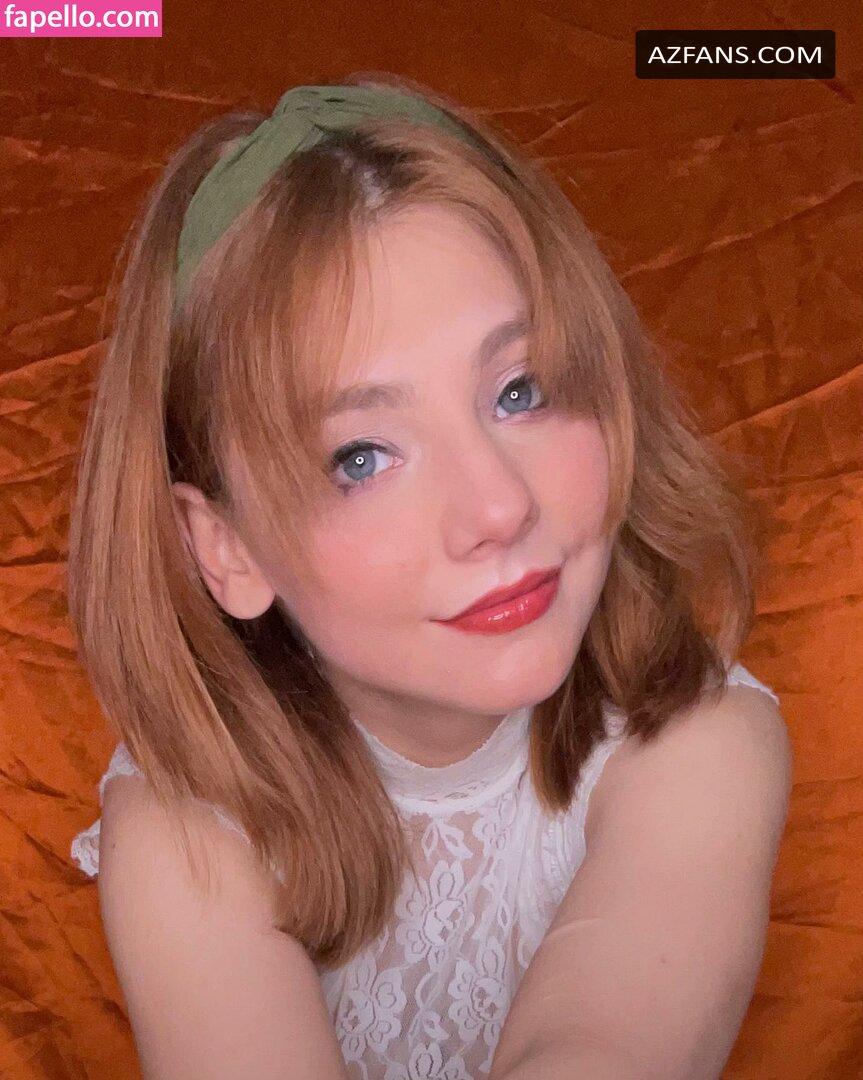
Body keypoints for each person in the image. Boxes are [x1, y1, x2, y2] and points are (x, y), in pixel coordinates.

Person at [67, 72, 792, 1080]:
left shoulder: (697, 743)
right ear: (226, 549)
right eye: (360, 456)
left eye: (519, 390)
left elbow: (602, 1047)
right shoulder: (185, 821)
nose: (497, 506)